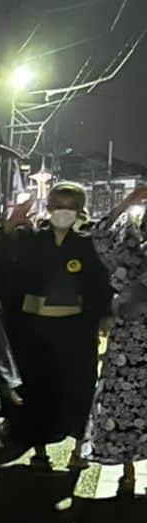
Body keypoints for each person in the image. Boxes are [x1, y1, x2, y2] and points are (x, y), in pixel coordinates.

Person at [4, 182, 113, 470]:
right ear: (49, 208)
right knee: (37, 387)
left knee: (79, 387)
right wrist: (9, 228)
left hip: (75, 328)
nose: (63, 211)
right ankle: (39, 449)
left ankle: (79, 449)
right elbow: (5, 264)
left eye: (70, 206)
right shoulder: (31, 238)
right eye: (58, 205)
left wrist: (104, 314)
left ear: (80, 211)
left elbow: (102, 281)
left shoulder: (89, 242)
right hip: (34, 327)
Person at [82, 184, 147, 493]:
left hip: (130, 337)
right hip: (131, 340)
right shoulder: (131, 253)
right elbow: (101, 234)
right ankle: (128, 469)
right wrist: (130, 200)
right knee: (124, 404)